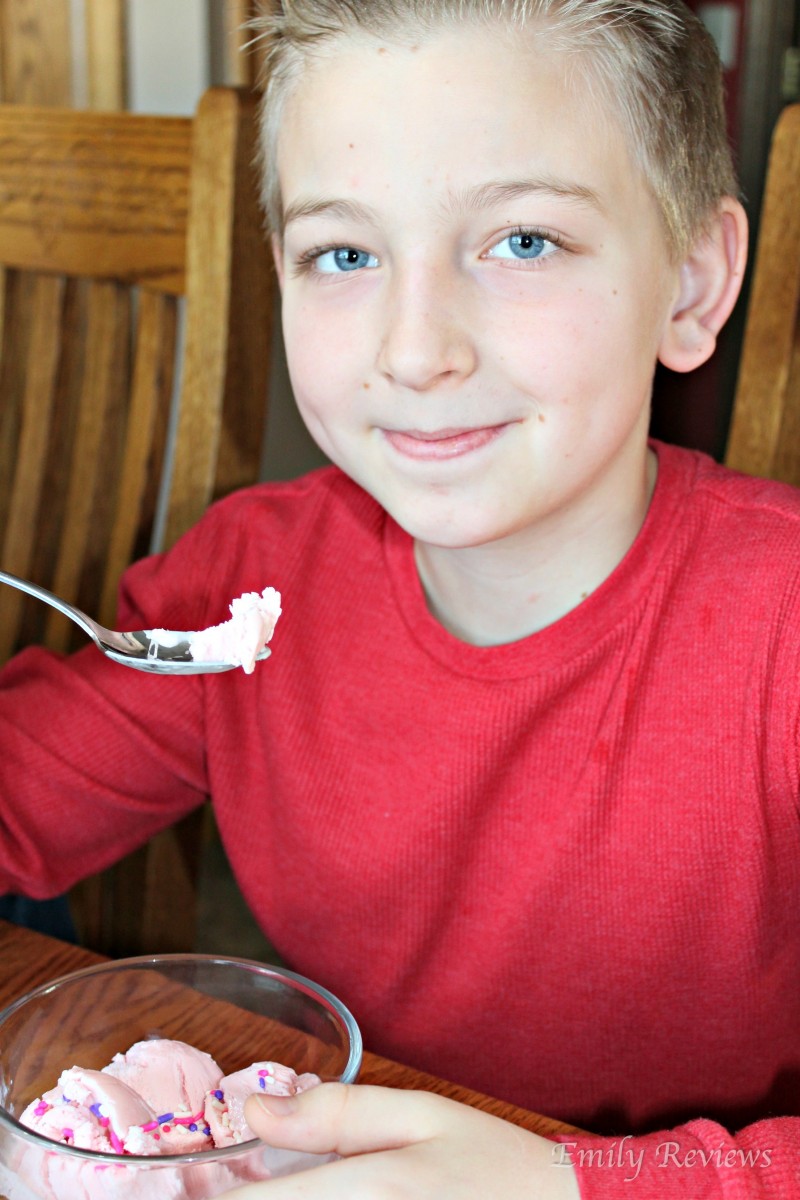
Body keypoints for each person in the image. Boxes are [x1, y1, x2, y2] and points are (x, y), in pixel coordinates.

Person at [0, 0, 798, 1195]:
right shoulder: (246, 591)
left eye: (522, 241)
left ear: (688, 286)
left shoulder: (778, 635)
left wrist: (567, 1184)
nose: (414, 348)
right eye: (345, 254)